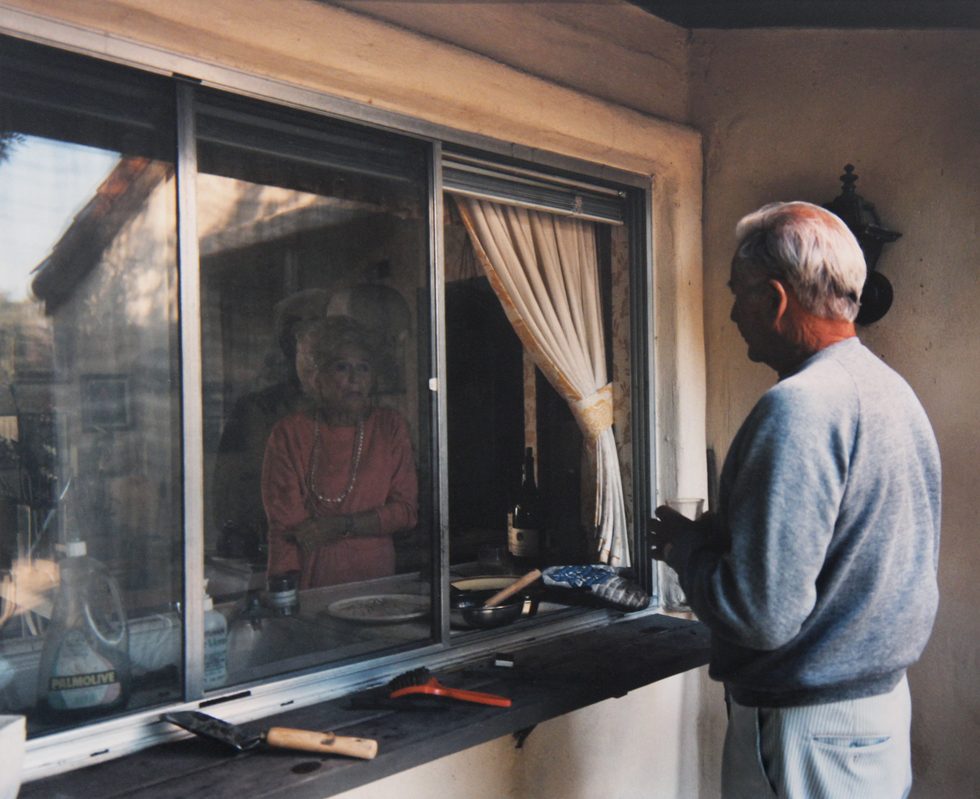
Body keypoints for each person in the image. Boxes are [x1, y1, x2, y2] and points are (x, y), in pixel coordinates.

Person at [650, 201, 941, 798]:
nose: (732, 312)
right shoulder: (890, 390)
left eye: (738, 293)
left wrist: (687, 553)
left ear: (777, 299)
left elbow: (762, 616)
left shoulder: (799, 407)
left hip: (807, 730)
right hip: (876, 715)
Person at [262, 315, 418, 588]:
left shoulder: (389, 426)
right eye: (342, 367)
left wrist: (339, 526)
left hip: (377, 579)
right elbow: (287, 531)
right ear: (315, 376)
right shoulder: (289, 433)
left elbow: (405, 512)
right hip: (314, 578)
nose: (355, 379)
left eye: (364, 368)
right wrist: (285, 597)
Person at [211, 289, 329, 562]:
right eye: (295, 324)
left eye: (315, 320)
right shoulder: (257, 408)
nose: (304, 330)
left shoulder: (350, 406)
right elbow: (231, 491)